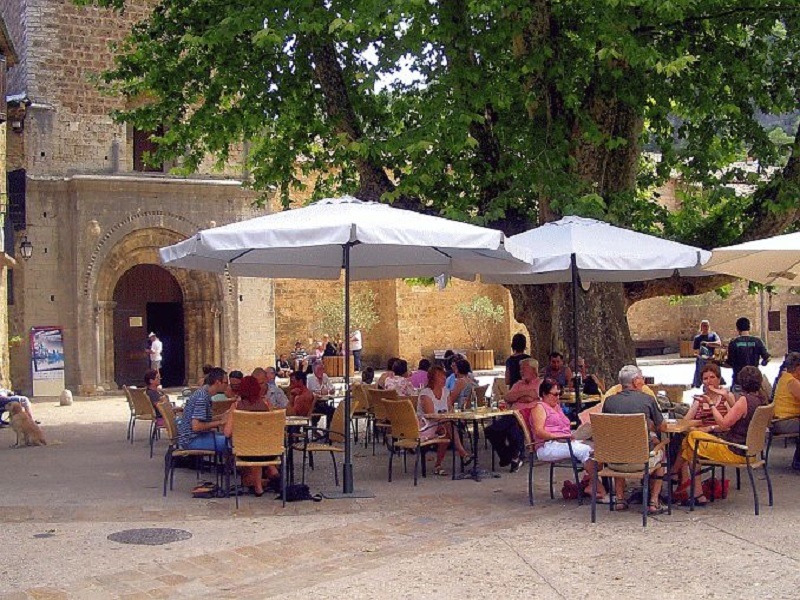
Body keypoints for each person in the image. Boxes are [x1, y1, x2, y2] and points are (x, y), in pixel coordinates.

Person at [679, 365, 768, 506]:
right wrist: (726, 396)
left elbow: (724, 424)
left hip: (735, 450)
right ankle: (694, 492)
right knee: (691, 443)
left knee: (692, 438)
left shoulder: (744, 401)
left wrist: (711, 404)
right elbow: (739, 413)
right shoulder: (761, 400)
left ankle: (691, 489)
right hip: (751, 451)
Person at [602, 365, 667, 514]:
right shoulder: (647, 400)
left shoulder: (609, 401)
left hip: (614, 461)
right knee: (661, 451)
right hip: (641, 461)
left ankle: (620, 499)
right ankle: (654, 501)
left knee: (620, 445)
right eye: (642, 378)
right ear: (636, 381)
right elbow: (662, 427)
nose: (643, 381)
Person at [532, 378, 607, 502]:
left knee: (598, 449)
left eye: (559, 394)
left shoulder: (556, 407)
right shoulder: (539, 408)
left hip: (565, 440)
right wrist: (558, 437)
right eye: (555, 394)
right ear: (544, 394)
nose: (558, 397)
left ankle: (591, 483)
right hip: (548, 445)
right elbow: (539, 431)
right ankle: (601, 490)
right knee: (586, 451)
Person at [222, 375, 276, 496]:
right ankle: (270, 471)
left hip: (244, 452)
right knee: (258, 444)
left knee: (251, 445)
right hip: (268, 451)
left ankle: (258, 486)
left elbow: (227, 432)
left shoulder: (236, 406)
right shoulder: (266, 404)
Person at [486, 358, 540, 472]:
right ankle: (510, 456)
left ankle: (514, 457)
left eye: (524, 369)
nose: (521, 371)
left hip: (529, 415)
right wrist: (525, 394)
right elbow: (507, 397)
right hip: (512, 415)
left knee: (512, 428)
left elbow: (532, 397)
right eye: (520, 369)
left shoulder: (540, 383)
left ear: (534, 370)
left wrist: (517, 397)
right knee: (491, 430)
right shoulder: (518, 384)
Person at [417, 365, 471, 475]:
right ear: (433, 378)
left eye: (444, 376)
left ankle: (439, 465)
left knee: (446, 430)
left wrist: (449, 416)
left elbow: (449, 410)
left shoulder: (445, 391)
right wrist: (446, 417)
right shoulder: (425, 393)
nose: (444, 378)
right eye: (440, 376)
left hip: (441, 425)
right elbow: (430, 415)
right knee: (447, 426)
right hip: (425, 426)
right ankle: (462, 452)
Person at [177, 367, 229, 452]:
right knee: (231, 442)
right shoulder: (202, 397)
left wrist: (221, 416)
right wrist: (220, 422)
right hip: (192, 440)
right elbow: (196, 426)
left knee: (228, 439)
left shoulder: (203, 393)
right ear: (217, 382)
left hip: (191, 438)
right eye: (226, 383)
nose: (227, 385)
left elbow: (203, 419)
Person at [772, 352, 800, 469]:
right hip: (784, 422)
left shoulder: (784, 377)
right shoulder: (792, 382)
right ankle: (798, 461)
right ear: (798, 368)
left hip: (780, 420)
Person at [727, 317, 770, 389]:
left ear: (737, 329)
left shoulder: (734, 343)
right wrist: (763, 363)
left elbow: (730, 362)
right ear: (749, 327)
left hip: (738, 380)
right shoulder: (757, 341)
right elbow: (767, 358)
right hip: (754, 380)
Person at [692, 320, 722, 388]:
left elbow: (719, 343)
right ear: (701, 327)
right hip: (703, 360)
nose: (706, 327)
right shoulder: (697, 338)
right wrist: (702, 356)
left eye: (707, 325)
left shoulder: (713, 335)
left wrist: (707, 344)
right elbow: (695, 351)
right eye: (704, 326)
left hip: (713, 359)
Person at [307, 360, 335, 427]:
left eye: (322, 369)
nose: (321, 371)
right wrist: (320, 392)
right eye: (319, 369)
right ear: (314, 370)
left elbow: (332, 388)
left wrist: (330, 391)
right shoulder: (310, 378)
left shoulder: (325, 376)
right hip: (313, 404)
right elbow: (308, 392)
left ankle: (328, 429)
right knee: (330, 410)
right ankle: (316, 427)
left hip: (322, 403)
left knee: (333, 410)